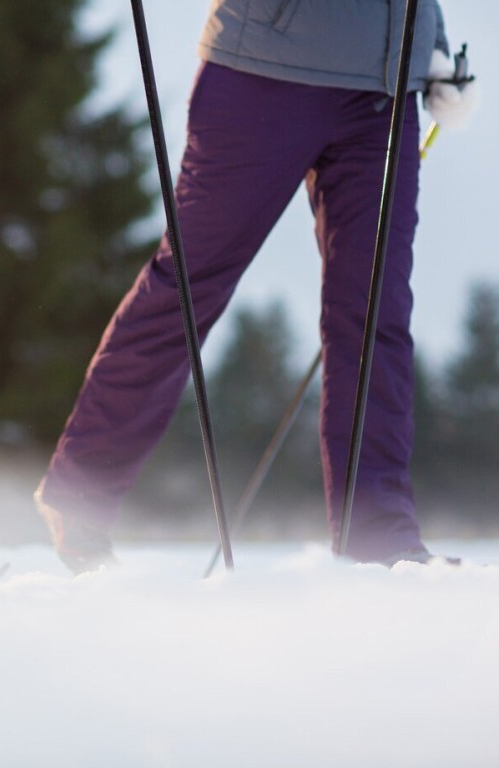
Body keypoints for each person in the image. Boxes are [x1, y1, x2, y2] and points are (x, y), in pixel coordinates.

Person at [35, 0, 477, 574]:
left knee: (375, 312)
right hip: (264, 69)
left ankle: (378, 532)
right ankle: (80, 489)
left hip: (387, 91)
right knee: (189, 288)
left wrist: (433, 43)